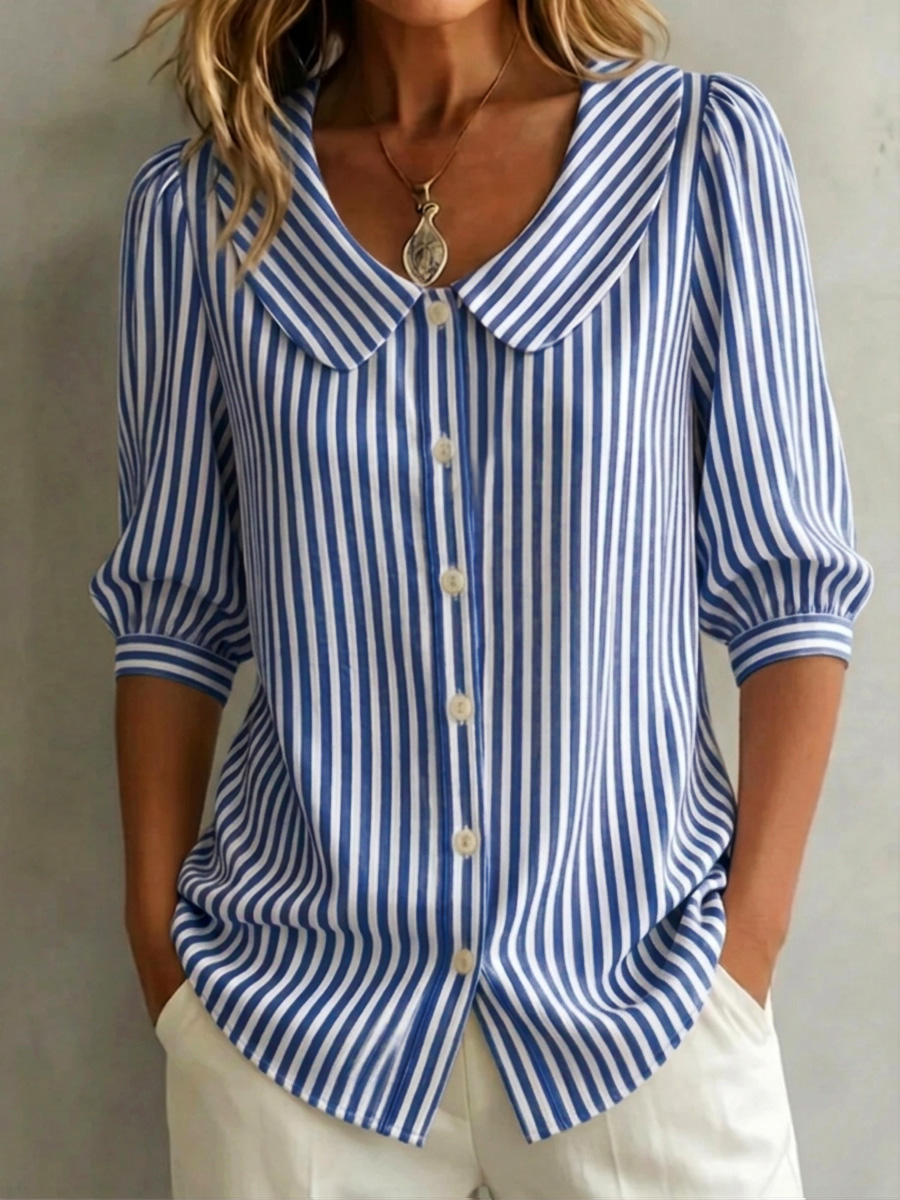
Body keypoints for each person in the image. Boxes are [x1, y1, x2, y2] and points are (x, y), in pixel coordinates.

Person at [87, 0, 875, 1194]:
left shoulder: (697, 157)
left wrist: (744, 951)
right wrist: (166, 966)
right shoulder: (201, 211)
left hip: (644, 1003)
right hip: (293, 1028)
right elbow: (171, 615)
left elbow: (793, 584)